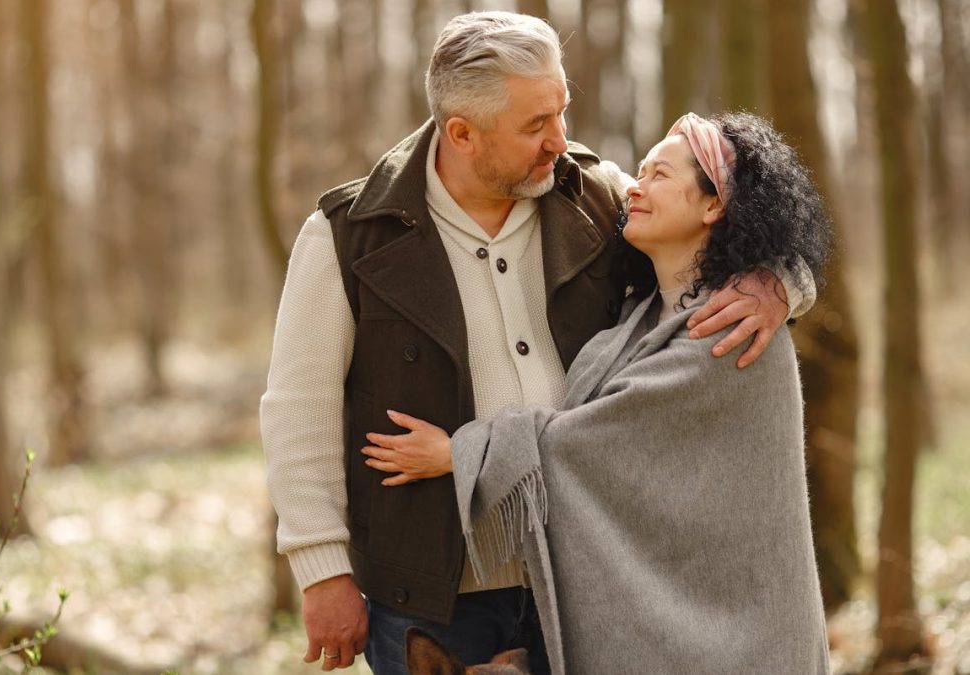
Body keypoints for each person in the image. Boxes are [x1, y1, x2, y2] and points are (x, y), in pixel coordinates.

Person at [259, 12, 815, 674]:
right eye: (535, 126)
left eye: (561, 111)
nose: (560, 139)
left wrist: (782, 281)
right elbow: (299, 408)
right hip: (433, 596)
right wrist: (321, 568)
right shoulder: (349, 235)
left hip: (584, 576)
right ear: (462, 133)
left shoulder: (596, 197)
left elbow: (716, 241)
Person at [361, 112, 831, 674]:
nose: (635, 186)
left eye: (660, 174)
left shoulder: (736, 329)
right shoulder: (639, 316)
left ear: (713, 206)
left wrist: (460, 453)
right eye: (640, 170)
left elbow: (596, 443)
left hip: (742, 640)